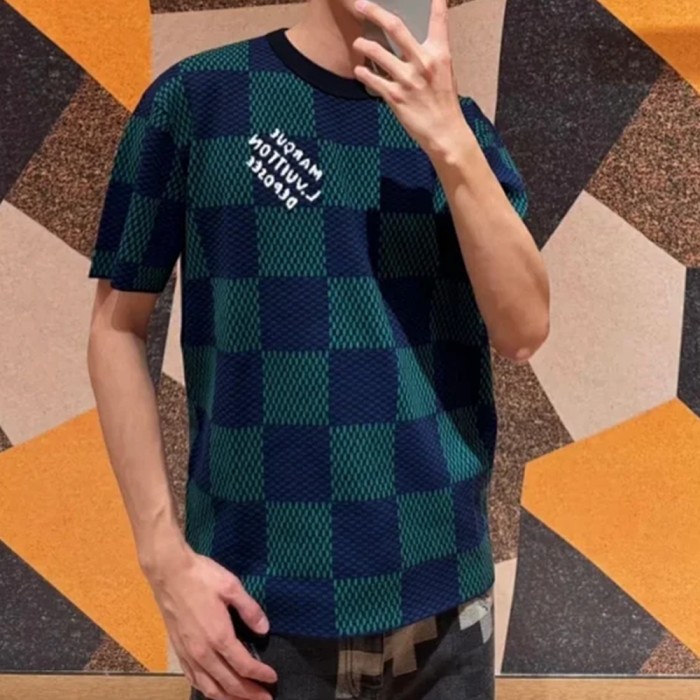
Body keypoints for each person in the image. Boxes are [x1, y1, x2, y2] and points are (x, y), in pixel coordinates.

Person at [86, 0, 549, 695]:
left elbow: (524, 330)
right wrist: (163, 559)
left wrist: (448, 139)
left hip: (446, 607)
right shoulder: (200, 99)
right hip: (258, 611)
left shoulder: (465, 131)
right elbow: (116, 326)